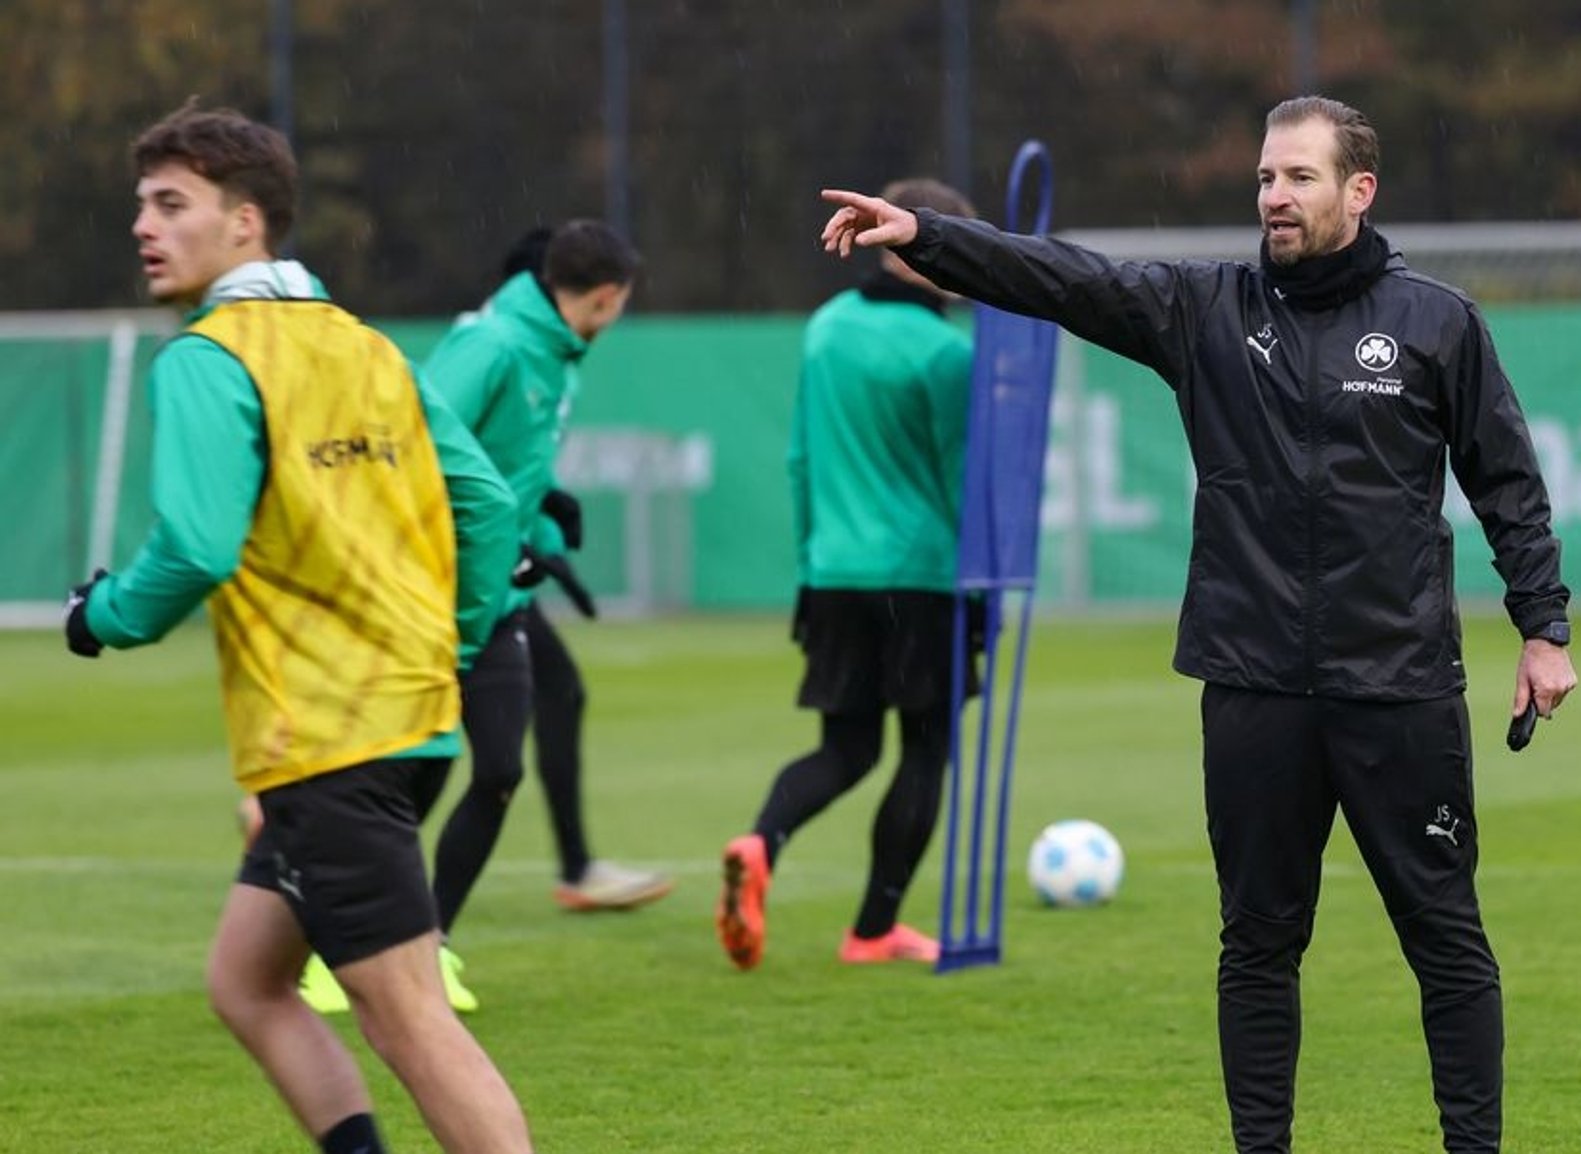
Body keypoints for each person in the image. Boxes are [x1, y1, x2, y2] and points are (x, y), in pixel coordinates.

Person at [817, 96, 1578, 1154]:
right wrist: (929, 237)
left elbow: (1508, 484)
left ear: (1358, 191)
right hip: (1253, 682)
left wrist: (1542, 629)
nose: (1273, 194)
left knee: (1443, 938)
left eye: (1298, 177)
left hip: (1397, 685)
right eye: (1266, 176)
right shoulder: (1204, 309)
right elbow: (1064, 280)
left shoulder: (1436, 322)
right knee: (1257, 942)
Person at [66, 102, 532, 1153]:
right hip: (404, 728)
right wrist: (450, 650)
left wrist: (98, 616)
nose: (144, 225)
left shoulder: (206, 357)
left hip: (328, 740)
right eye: (141, 204)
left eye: (171, 203)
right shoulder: (363, 347)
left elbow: (192, 547)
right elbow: (490, 506)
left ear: (245, 225)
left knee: (404, 1014)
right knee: (248, 980)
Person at [717, 178, 979, 971]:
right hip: (921, 578)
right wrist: (984, 587)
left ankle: (760, 842)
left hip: (832, 569)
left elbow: (800, 459)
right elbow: (962, 482)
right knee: (924, 752)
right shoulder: (948, 354)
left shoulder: (826, 329)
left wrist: (808, 568)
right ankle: (873, 930)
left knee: (846, 749)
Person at [408, 219, 666, 1011]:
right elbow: (411, 450)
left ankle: (427, 942)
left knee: (497, 762)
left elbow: (507, 459)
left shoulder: (556, 349)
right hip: (442, 587)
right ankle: (315, 884)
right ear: (605, 297)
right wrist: (487, 543)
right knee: (420, 770)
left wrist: (543, 518)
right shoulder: (495, 347)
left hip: (498, 586)